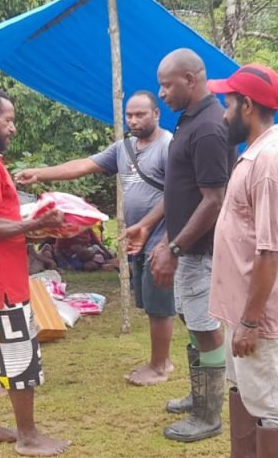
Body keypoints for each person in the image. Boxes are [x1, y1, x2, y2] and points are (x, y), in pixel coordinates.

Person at [15, 91, 177, 386]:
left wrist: (166, 239)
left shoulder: (168, 146)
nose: (134, 120)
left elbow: (177, 193)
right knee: (151, 304)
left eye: (141, 114)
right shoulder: (123, 148)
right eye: (130, 115)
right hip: (136, 238)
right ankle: (158, 361)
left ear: (156, 115)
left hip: (160, 238)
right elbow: (83, 165)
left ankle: (161, 365)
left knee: (160, 305)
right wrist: (40, 173)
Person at [122, 48, 236, 443]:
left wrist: (175, 247)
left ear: (190, 80)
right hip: (186, 246)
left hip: (201, 251)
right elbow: (182, 192)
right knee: (192, 321)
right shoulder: (189, 121)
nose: (162, 93)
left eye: (167, 85)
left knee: (206, 329)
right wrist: (162, 235)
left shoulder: (208, 128)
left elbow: (213, 200)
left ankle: (209, 416)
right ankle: (198, 393)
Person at [0, 86, 69, 455]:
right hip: (1, 281)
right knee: (20, 357)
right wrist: (32, 227)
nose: (14, 128)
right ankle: (28, 437)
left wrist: (29, 221)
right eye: (9, 120)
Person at [206, 63, 278, 456]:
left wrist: (250, 321)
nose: (223, 114)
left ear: (246, 106)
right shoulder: (255, 156)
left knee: (270, 404)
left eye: (227, 104)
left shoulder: (271, 165)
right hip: (241, 307)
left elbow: (269, 250)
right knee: (244, 389)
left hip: (254, 315)